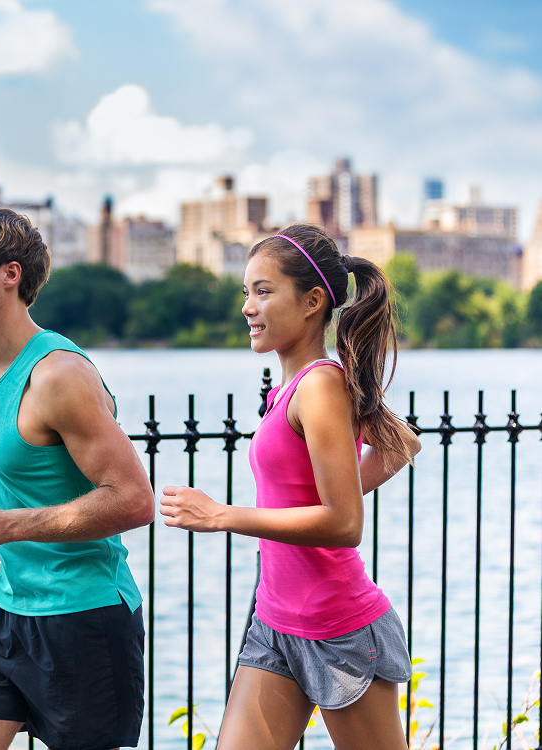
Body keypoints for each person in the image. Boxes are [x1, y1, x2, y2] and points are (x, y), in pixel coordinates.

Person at [159, 223, 421, 750]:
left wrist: (222, 515)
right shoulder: (294, 389)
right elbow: (402, 444)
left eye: (263, 291)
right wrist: (329, 492)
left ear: (312, 301)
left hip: (339, 629)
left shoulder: (321, 386)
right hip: (275, 625)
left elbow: (344, 525)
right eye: (246, 293)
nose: (247, 307)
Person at [0, 204, 154, 750]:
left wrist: (5, 525)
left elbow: (132, 501)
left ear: (10, 274)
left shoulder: (58, 375)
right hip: (8, 615)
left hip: (83, 622)